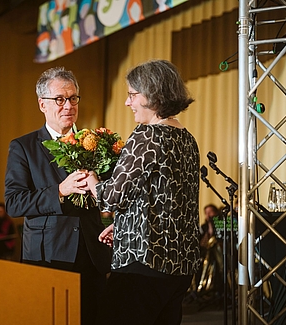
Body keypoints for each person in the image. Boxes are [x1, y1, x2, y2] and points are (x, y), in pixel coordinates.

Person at [84, 59, 201, 325]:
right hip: (180, 266)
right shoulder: (187, 139)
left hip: (144, 264)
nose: (128, 103)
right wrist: (124, 225)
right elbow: (168, 200)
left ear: (153, 94)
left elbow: (111, 196)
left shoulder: (146, 136)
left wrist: (92, 181)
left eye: (132, 95)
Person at [4, 66, 112, 325]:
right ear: (42, 104)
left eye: (73, 98)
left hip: (92, 255)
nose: (68, 106)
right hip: (50, 257)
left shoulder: (96, 143)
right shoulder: (24, 147)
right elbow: (14, 203)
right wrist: (60, 191)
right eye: (60, 99)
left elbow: (110, 195)